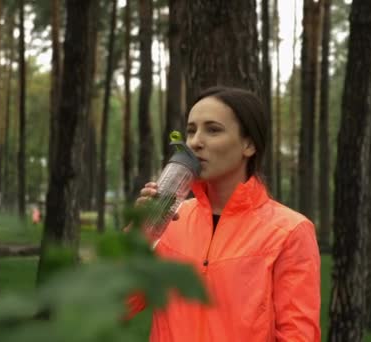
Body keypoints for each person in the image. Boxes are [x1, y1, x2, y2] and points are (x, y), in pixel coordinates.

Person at [128, 86, 321, 341]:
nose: (196, 141)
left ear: (248, 144)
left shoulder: (290, 231)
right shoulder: (170, 221)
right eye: (191, 130)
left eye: (213, 129)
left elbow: (298, 335)